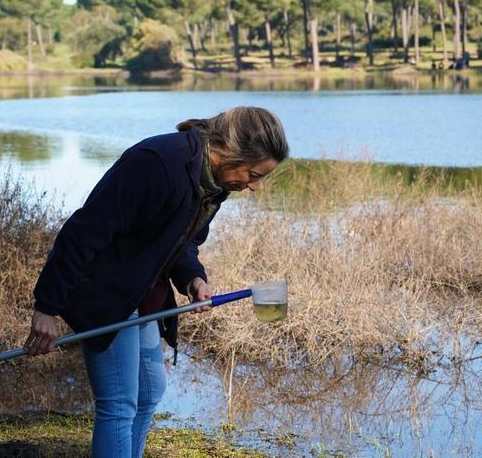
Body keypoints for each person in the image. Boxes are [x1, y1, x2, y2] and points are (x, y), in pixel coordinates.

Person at [24, 107, 289, 458]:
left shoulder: (215, 181)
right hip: (106, 293)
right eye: (253, 174)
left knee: (148, 393)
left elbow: (184, 240)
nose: (254, 186)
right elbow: (84, 232)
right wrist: (47, 307)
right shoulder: (157, 163)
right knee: (119, 404)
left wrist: (194, 278)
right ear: (228, 149)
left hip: (144, 293)